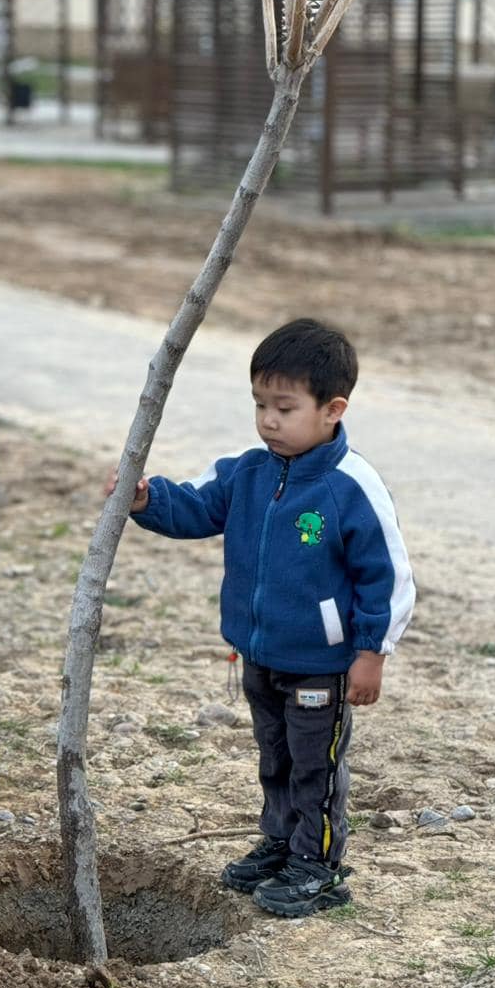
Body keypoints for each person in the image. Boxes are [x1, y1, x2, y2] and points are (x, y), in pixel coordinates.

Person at [110, 318, 414, 916]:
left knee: (314, 767)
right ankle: (279, 843)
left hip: (320, 666)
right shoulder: (247, 472)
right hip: (259, 654)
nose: (268, 420)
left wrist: (371, 651)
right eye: (259, 405)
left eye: (284, 407)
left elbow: (389, 577)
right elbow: (197, 505)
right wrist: (148, 500)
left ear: (332, 409)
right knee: (273, 756)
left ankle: (319, 864)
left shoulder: (350, 487)